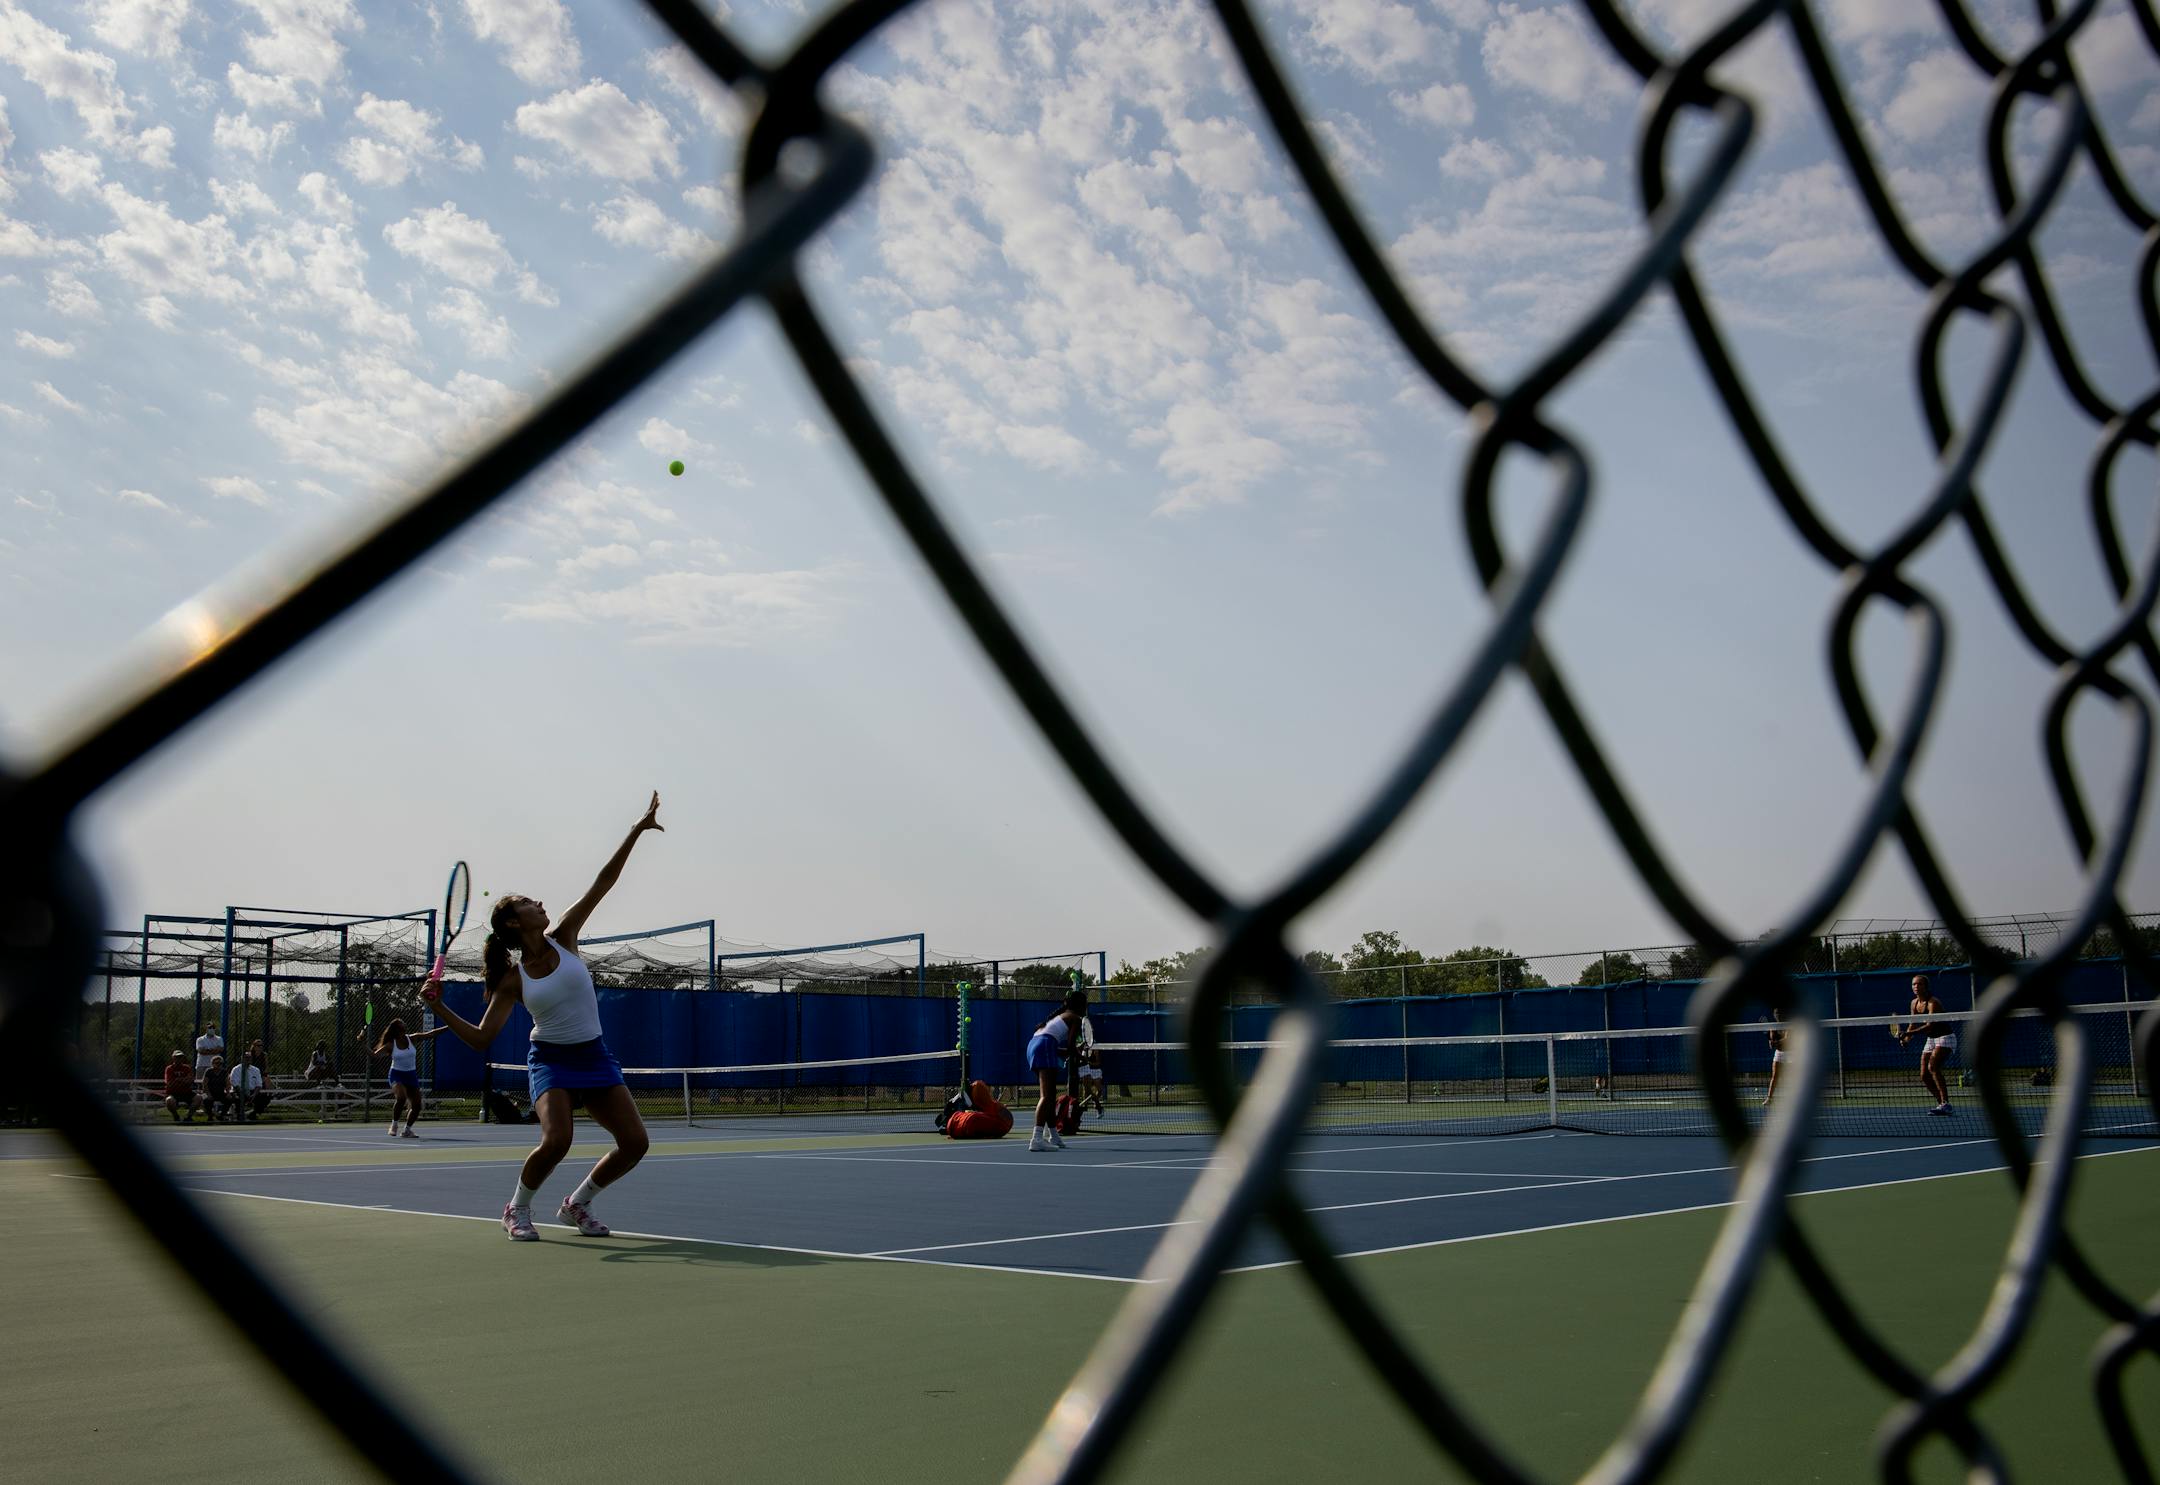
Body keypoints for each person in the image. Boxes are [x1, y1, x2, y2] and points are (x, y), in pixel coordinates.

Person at [425, 791, 664, 1240]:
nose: (538, 902)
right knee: (556, 1141)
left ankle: (578, 1203)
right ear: (515, 923)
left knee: (635, 1143)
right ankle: (516, 1209)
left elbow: (602, 882)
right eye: (527, 902)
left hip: (594, 1055)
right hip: (551, 1061)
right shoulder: (514, 979)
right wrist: (439, 1007)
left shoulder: (565, 936)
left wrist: (636, 829)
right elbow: (481, 1038)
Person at [358, 1018, 448, 1136]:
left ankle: (407, 1130)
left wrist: (449, 1026)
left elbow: (431, 1034)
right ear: (397, 1030)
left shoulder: (412, 1038)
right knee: (401, 1097)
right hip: (396, 1074)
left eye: (404, 1025)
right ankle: (394, 1124)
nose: (404, 1026)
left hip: (411, 1075)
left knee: (417, 1105)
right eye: (402, 1025)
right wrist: (362, 1043)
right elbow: (374, 1055)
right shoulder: (391, 1044)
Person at [1024, 988, 1088, 1152]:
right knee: (1046, 1096)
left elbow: (1064, 1049)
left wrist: (1074, 1052)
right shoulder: (1075, 1018)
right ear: (1081, 1006)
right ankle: (1036, 1138)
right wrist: (1082, 1057)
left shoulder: (1057, 1018)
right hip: (1044, 1045)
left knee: (1050, 1097)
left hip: (1035, 1045)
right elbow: (1071, 1047)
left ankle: (1053, 1135)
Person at [1898, 973, 1955, 1116]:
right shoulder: (1914, 1003)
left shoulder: (1933, 1002)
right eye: (1914, 984)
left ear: (1926, 986)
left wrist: (1909, 1034)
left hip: (1945, 1037)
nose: (1916, 987)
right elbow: (1912, 1024)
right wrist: (1906, 1040)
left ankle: (1946, 1103)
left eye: (1919, 984)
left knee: (1933, 1067)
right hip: (1931, 1039)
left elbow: (1929, 1026)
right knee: (1924, 1075)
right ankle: (1941, 1103)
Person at [941, 1079, 1013, 1140]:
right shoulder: (979, 1090)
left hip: (962, 1121)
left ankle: (951, 1119)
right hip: (963, 1120)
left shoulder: (978, 1091)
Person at [228, 1049, 271, 1123]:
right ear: (242, 1059)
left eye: (249, 1058)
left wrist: (254, 1095)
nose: (248, 1059)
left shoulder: (256, 1070)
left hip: (252, 1091)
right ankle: (240, 1116)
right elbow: (234, 1083)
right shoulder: (236, 1069)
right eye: (246, 1058)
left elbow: (259, 1084)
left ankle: (253, 1114)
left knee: (266, 1098)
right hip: (239, 1091)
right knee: (238, 1098)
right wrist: (244, 1094)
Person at [1760, 1007, 1785, 1109]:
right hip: (1779, 1053)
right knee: (1775, 1076)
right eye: (1776, 1013)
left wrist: (1776, 1042)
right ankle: (1769, 1098)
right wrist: (1772, 1043)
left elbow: (1787, 1040)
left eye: (1779, 1013)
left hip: (1792, 1053)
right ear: (1774, 1015)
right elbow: (1772, 1045)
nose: (1778, 1015)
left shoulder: (1788, 1025)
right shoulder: (1773, 1027)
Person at [192, 1024, 224, 1104]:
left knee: (213, 1085)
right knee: (200, 1085)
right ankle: (201, 1103)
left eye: (213, 1027)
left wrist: (207, 1050)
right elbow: (201, 1051)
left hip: (214, 1066)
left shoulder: (219, 1039)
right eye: (210, 1028)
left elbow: (220, 1049)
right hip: (202, 1065)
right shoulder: (200, 1039)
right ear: (206, 1029)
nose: (212, 1029)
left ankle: (210, 1102)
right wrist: (213, 1050)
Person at [161, 1050, 195, 1122]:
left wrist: (178, 1080)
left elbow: (190, 1081)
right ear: (173, 1058)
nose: (179, 1059)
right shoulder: (169, 1068)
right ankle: (176, 1116)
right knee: (169, 1100)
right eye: (177, 1057)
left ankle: (188, 1117)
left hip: (186, 1092)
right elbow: (169, 1083)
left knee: (199, 1098)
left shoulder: (187, 1068)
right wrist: (184, 1080)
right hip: (173, 1093)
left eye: (181, 1057)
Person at [199, 1055, 232, 1121]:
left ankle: (222, 1115)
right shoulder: (208, 1071)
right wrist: (208, 1094)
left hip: (220, 1092)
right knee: (205, 1099)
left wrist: (228, 1093)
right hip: (209, 1092)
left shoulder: (224, 1072)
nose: (218, 1065)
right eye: (216, 1063)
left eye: (220, 1063)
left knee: (230, 1099)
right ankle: (210, 1116)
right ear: (212, 1063)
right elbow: (204, 1084)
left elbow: (228, 1084)